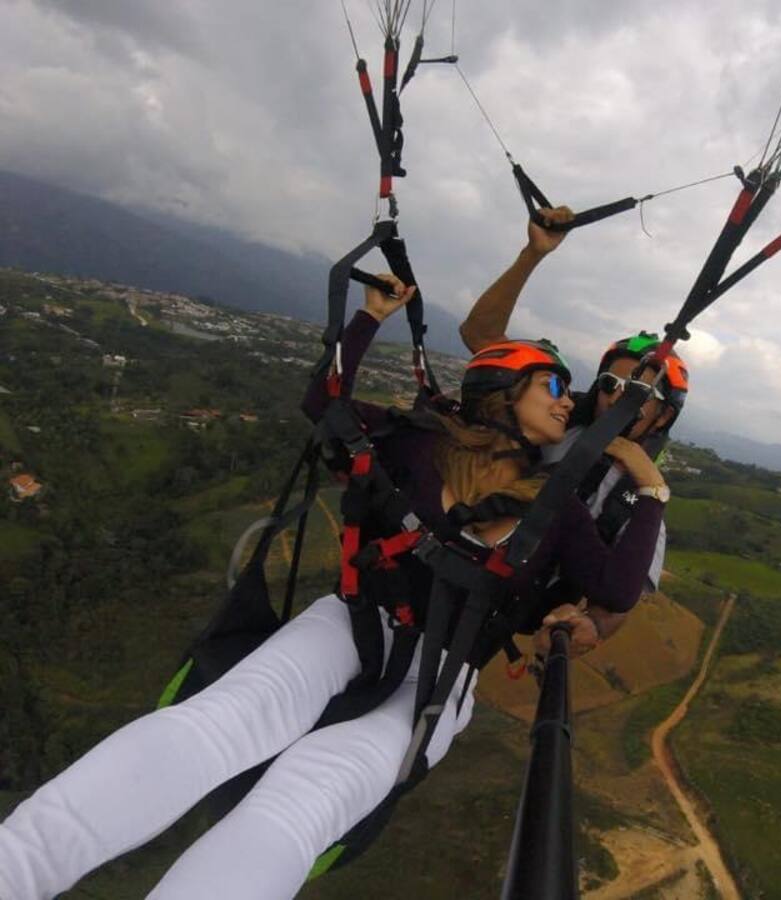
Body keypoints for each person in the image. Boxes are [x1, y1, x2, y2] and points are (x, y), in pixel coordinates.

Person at [0, 275, 669, 900]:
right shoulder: (415, 440)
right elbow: (324, 403)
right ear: (503, 387)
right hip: (356, 622)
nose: (566, 400)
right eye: (554, 383)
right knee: (217, 724)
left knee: (301, 804)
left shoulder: (558, 504)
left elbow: (615, 586)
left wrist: (650, 487)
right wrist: (370, 316)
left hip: (439, 679)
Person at [460, 208, 689, 646]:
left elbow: (621, 596)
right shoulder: (554, 423)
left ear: (663, 416)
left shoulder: (639, 504)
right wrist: (533, 254)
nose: (621, 398)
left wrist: (595, 627)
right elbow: (482, 341)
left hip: (496, 615)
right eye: (611, 384)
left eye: (640, 394)